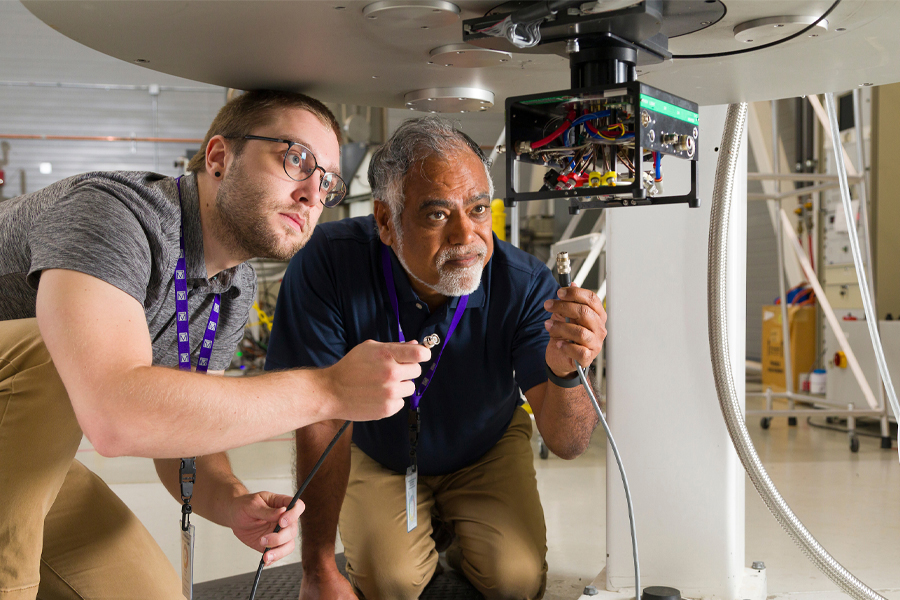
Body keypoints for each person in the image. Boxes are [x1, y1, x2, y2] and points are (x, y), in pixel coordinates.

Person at [0, 89, 430, 600]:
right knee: (50, 350)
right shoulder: (111, 214)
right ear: (219, 157)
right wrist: (327, 390)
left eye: (328, 181)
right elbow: (114, 415)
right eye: (296, 160)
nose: (314, 193)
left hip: (19, 455)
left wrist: (232, 503)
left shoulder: (232, 288)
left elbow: (178, 424)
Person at [266, 116, 607, 600]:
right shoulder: (328, 263)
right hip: (376, 448)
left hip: (484, 447)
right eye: (436, 215)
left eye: (478, 209)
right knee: (389, 583)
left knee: (516, 581)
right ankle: (430, 532)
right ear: (386, 221)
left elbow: (569, 443)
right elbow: (318, 418)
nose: (466, 236)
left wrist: (568, 371)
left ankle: (458, 532)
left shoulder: (525, 283)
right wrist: (318, 565)